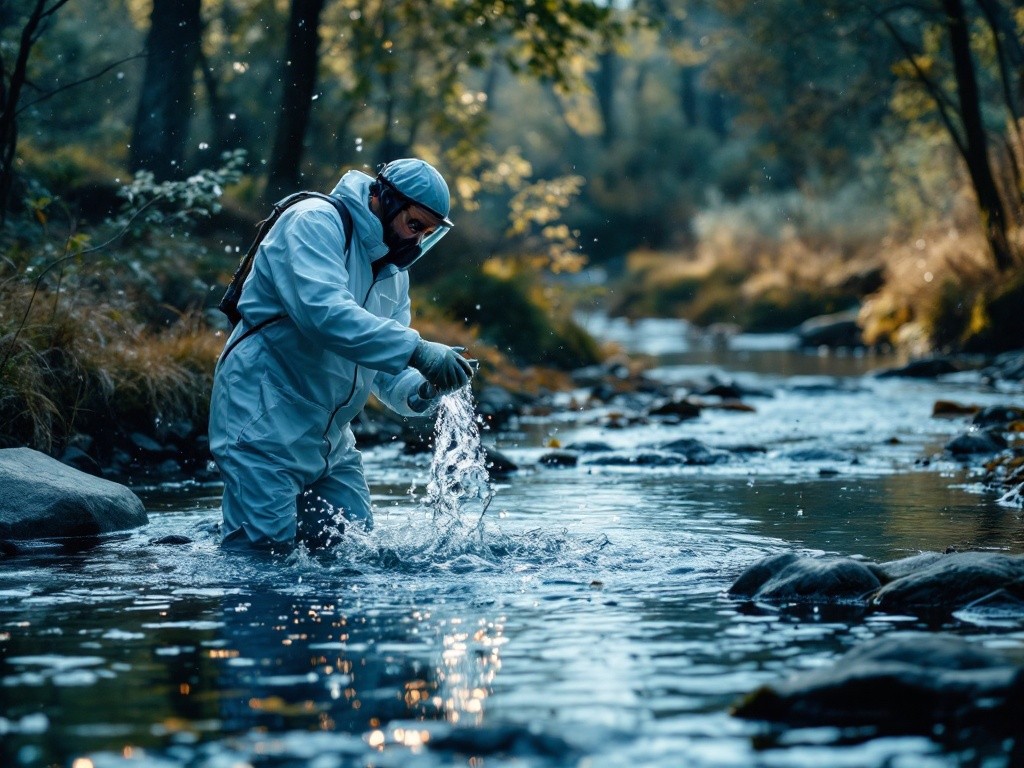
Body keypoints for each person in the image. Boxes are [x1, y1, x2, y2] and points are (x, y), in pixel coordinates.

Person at [208, 158, 475, 551]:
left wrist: (422, 388)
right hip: (263, 418)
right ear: (383, 199)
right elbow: (324, 315)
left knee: (350, 551)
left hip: (331, 440)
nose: (416, 241)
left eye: (427, 233)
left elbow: (383, 366)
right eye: (414, 225)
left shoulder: (392, 274)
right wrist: (418, 350)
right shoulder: (314, 221)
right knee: (260, 561)